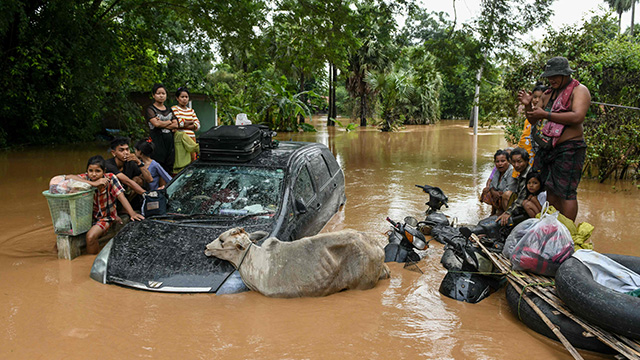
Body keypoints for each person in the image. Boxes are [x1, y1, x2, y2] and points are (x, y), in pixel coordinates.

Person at [518, 56, 591, 221]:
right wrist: (528, 105)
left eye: (555, 76)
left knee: (566, 192)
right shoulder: (547, 94)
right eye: (549, 76)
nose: (551, 80)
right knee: (550, 189)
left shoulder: (579, 90)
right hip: (549, 147)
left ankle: (568, 230)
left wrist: (546, 114)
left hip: (570, 148)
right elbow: (533, 119)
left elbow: (578, 117)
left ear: (566, 74)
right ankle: (553, 226)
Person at [66, 155, 144, 254]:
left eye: (98, 171)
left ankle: (92, 262)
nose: (93, 174)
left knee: (90, 237)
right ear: (87, 171)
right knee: (62, 240)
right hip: (89, 218)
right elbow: (67, 177)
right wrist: (93, 184)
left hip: (105, 217)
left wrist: (132, 213)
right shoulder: (86, 178)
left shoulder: (111, 178)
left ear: (104, 171)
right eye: (91, 171)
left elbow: (121, 197)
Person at [106, 137, 151, 210]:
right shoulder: (109, 165)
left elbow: (149, 179)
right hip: (112, 197)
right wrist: (146, 194)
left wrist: (139, 162)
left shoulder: (130, 162)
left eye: (127, 149)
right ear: (114, 153)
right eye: (121, 150)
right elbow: (127, 181)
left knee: (138, 179)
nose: (126, 153)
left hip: (127, 195)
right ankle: (121, 209)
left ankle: (125, 208)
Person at [145, 83, 178, 174]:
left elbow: (176, 125)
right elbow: (156, 124)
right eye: (158, 93)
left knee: (169, 166)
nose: (161, 96)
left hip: (169, 143)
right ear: (153, 95)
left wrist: (161, 123)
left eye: (163, 93)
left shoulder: (169, 110)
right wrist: (168, 122)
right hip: (157, 142)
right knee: (158, 166)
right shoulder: (150, 109)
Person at [497, 147, 531, 226]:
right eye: (513, 162)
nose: (516, 165)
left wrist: (508, 212)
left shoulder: (529, 176)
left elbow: (522, 198)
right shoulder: (522, 174)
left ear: (526, 161)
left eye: (519, 162)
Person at [517, 83, 547, 167]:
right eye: (535, 97)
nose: (537, 100)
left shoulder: (549, 115)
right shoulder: (529, 118)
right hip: (529, 157)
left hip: (543, 158)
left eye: (540, 97)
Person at [480, 149, 515, 215]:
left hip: (508, 197)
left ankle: (505, 213)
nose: (500, 164)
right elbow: (492, 184)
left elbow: (510, 189)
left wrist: (498, 193)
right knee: (486, 191)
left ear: (508, 161)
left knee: (504, 195)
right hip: (498, 193)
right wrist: (493, 191)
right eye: (497, 161)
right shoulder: (497, 170)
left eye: (503, 161)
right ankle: (494, 212)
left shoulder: (511, 171)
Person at [171, 87, 200, 161]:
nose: (184, 99)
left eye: (186, 97)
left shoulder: (191, 110)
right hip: (181, 139)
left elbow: (198, 126)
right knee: (182, 160)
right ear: (177, 98)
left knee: (192, 159)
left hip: (192, 139)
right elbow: (179, 123)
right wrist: (191, 122)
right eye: (182, 97)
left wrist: (184, 123)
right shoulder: (175, 109)